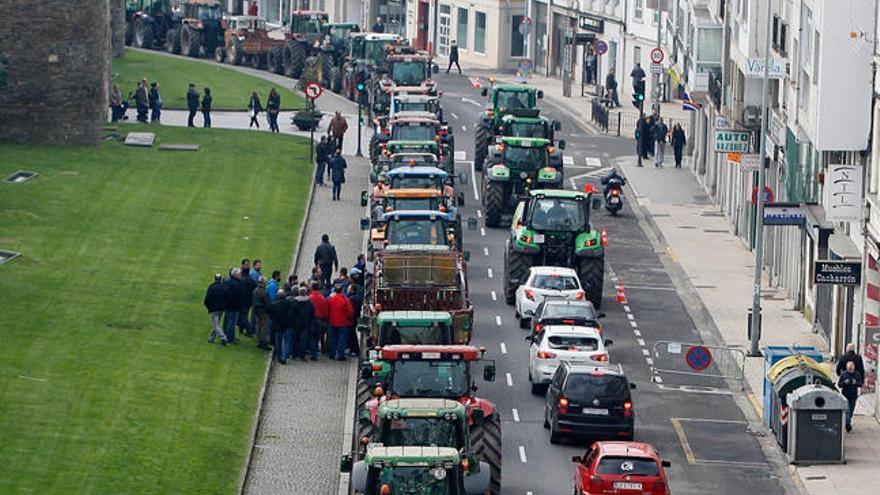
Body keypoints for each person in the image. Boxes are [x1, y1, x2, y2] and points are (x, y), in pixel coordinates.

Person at [328, 284, 354, 360]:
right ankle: (340, 355)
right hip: (343, 322)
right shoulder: (345, 299)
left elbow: (328, 309)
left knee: (332, 338)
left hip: (332, 322)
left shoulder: (331, 299)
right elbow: (350, 312)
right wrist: (349, 319)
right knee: (342, 339)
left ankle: (332, 353)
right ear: (342, 291)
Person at [290, 285, 316, 361]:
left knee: (295, 339)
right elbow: (312, 314)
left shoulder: (295, 302)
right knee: (303, 340)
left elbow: (292, 313)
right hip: (305, 324)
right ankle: (302, 355)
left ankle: (294, 354)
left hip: (296, 323)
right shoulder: (309, 303)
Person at [838, 361, 863, 432]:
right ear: (847, 368)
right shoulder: (843, 374)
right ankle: (847, 425)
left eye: (851, 369)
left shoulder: (857, 374)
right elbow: (839, 385)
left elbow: (860, 384)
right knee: (847, 411)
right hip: (845, 395)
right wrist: (844, 382)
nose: (850, 370)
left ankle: (847, 421)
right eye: (849, 369)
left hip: (854, 395)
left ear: (854, 368)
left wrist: (856, 383)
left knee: (851, 411)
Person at [269, 288, 292, 363]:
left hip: (277, 326)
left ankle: (279, 356)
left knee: (278, 342)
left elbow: (271, 316)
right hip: (287, 325)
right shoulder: (288, 303)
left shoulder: (274, 305)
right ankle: (284, 356)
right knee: (287, 341)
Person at [204, 273, 228, 345]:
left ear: (215, 279)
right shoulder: (224, 287)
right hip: (221, 309)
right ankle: (211, 338)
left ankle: (223, 337)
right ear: (221, 279)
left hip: (213, 309)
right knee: (216, 324)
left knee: (215, 325)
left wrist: (208, 306)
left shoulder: (211, 287)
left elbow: (207, 299)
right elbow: (227, 298)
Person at [223, 267, 244, 343]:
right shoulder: (237, 284)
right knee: (232, 322)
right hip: (234, 306)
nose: (240, 275)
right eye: (239, 274)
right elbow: (238, 296)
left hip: (227, 304)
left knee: (227, 320)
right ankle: (230, 338)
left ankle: (225, 334)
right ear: (236, 275)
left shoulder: (227, 281)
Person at [346, 270, 365, 357]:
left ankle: (354, 350)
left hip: (351, 319)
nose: (347, 290)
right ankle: (353, 349)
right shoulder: (357, 298)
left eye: (349, 289)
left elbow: (350, 310)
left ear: (352, 290)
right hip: (354, 318)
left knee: (351, 334)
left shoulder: (351, 299)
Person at [308, 282, 329, 359]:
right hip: (320, 319)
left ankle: (314, 353)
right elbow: (325, 310)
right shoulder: (322, 298)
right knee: (318, 336)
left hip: (311, 319)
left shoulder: (309, 298)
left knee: (312, 337)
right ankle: (318, 350)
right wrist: (325, 319)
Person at [252, 276, 272, 349]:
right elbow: (267, 303)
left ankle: (258, 340)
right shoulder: (264, 292)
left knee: (258, 325)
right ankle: (263, 342)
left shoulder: (255, 290)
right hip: (263, 311)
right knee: (264, 326)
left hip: (256, 310)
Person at [238, 263, 256, 336]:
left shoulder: (241, 280)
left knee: (243, 316)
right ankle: (241, 330)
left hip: (241, 301)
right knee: (244, 315)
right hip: (248, 301)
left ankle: (249, 331)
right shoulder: (251, 280)